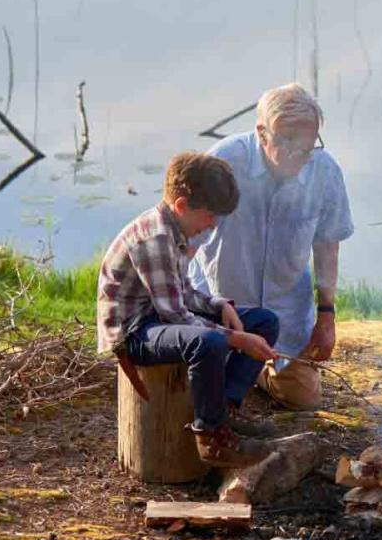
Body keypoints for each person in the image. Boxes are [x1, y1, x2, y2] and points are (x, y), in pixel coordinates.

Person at [97, 152, 280, 467]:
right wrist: (237, 340)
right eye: (209, 216)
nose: (212, 225)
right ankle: (212, 437)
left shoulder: (177, 230)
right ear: (182, 206)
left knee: (264, 322)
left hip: (162, 315)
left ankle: (224, 409)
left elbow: (184, 293)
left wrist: (219, 305)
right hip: (136, 332)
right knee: (208, 342)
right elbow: (176, 316)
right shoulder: (153, 240)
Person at [190, 83, 353, 408]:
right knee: (199, 399)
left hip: (287, 319)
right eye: (288, 143)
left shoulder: (324, 171)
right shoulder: (223, 163)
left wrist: (326, 317)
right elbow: (188, 236)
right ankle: (236, 366)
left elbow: (327, 246)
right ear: (262, 134)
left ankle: (260, 372)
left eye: (308, 145)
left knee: (303, 401)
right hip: (224, 310)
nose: (300, 154)